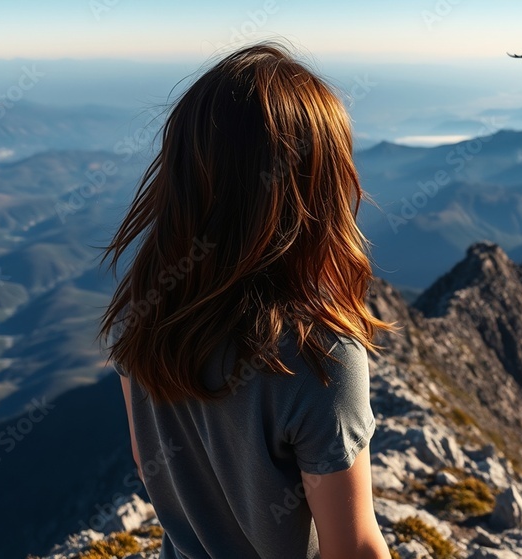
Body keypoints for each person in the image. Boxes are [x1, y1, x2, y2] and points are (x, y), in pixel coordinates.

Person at [97, 42, 395, 559]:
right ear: (318, 189)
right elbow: (354, 548)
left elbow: (151, 465)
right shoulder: (320, 356)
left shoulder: (138, 316)